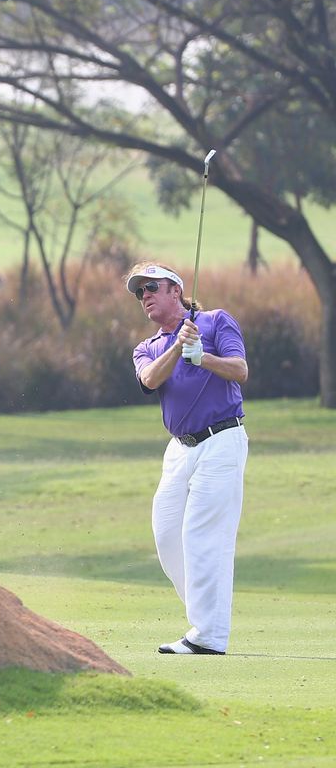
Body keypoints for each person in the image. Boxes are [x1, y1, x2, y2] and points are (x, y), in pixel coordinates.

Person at [126, 261, 250, 655]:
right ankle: (206, 616)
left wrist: (203, 356)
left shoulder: (214, 322)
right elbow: (150, 379)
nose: (144, 295)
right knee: (167, 536)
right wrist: (181, 347)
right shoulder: (147, 348)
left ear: (175, 291)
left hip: (221, 439)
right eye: (139, 291)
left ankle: (209, 635)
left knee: (202, 536)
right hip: (179, 448)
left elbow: (240, 371)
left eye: (151, 287)